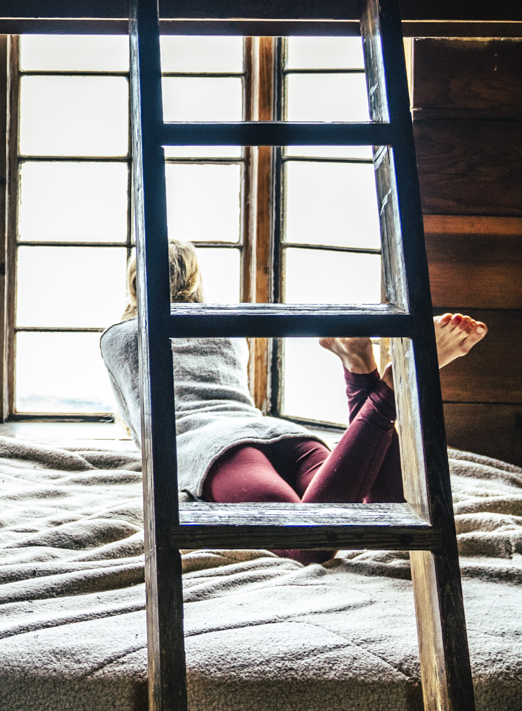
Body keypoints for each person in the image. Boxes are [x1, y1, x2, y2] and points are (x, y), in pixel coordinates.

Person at [99, 240, 487, 565]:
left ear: (134, 282)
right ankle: (362, 372)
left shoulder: (119, 339)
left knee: (305, 543)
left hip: (214, 448)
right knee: (386, 510)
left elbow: (141, 431)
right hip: (278, 433)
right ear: (195, 278)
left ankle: (387, 393)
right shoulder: (226, 333)